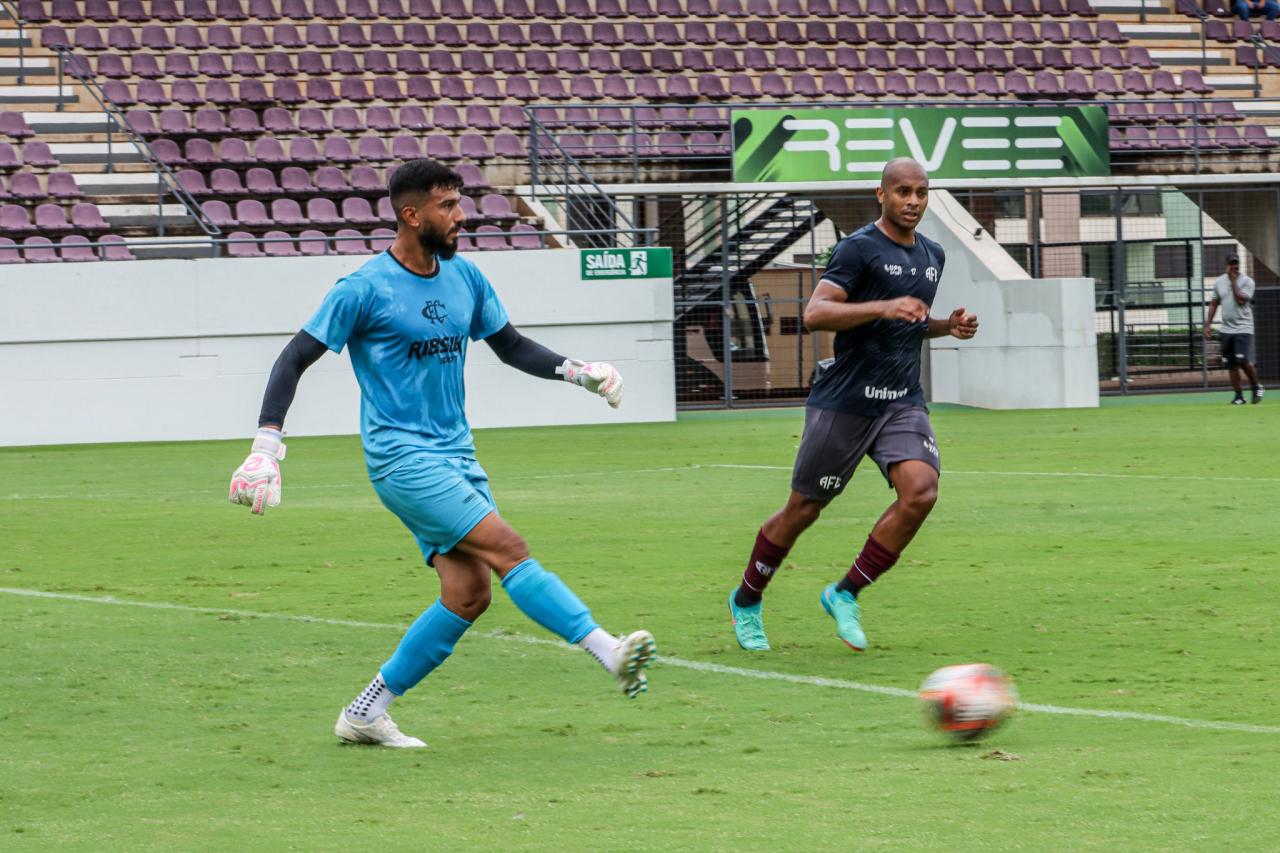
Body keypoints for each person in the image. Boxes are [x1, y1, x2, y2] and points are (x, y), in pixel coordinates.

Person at [228, 159, 656, 748]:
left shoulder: (467, 277)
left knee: (468, 594)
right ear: (412, 215)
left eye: (459, 203)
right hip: (401, 459)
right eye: (448, 206)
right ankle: (610, 651)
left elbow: (508, 346)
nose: (461, 215)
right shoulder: (363, 288)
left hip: (457, 454)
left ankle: (364, 713)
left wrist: (574, 371)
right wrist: (265, 448)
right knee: (509, 549)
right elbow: (293, 358)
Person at [727, 158, 978, 653]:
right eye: (902, 191)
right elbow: (815, 313)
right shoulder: (858, 248)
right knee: (804, 509)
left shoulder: (933, 255)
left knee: (921, 492)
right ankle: (747, 599)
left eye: (921, 192)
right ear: (880, 195)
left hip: (901, 400)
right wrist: (882, 306)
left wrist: (947, 326)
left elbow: (908, 320)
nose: (913, 201)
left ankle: (845, 594)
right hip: (845, 401)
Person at [1204, 254, 1264, 405]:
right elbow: (1213, 303)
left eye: (1236, 264)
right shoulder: (1219, 282)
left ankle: (1256, 386)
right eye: (1231, 264)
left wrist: (1233, 281)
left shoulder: (1247, 281)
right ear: (1227, 265)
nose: (1234, 267)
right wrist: (1207, 325)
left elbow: (1241, 299)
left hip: (1243, 327)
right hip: (1226, 329)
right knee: (1231, 363)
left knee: (1241, 358)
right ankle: (1239, 396)